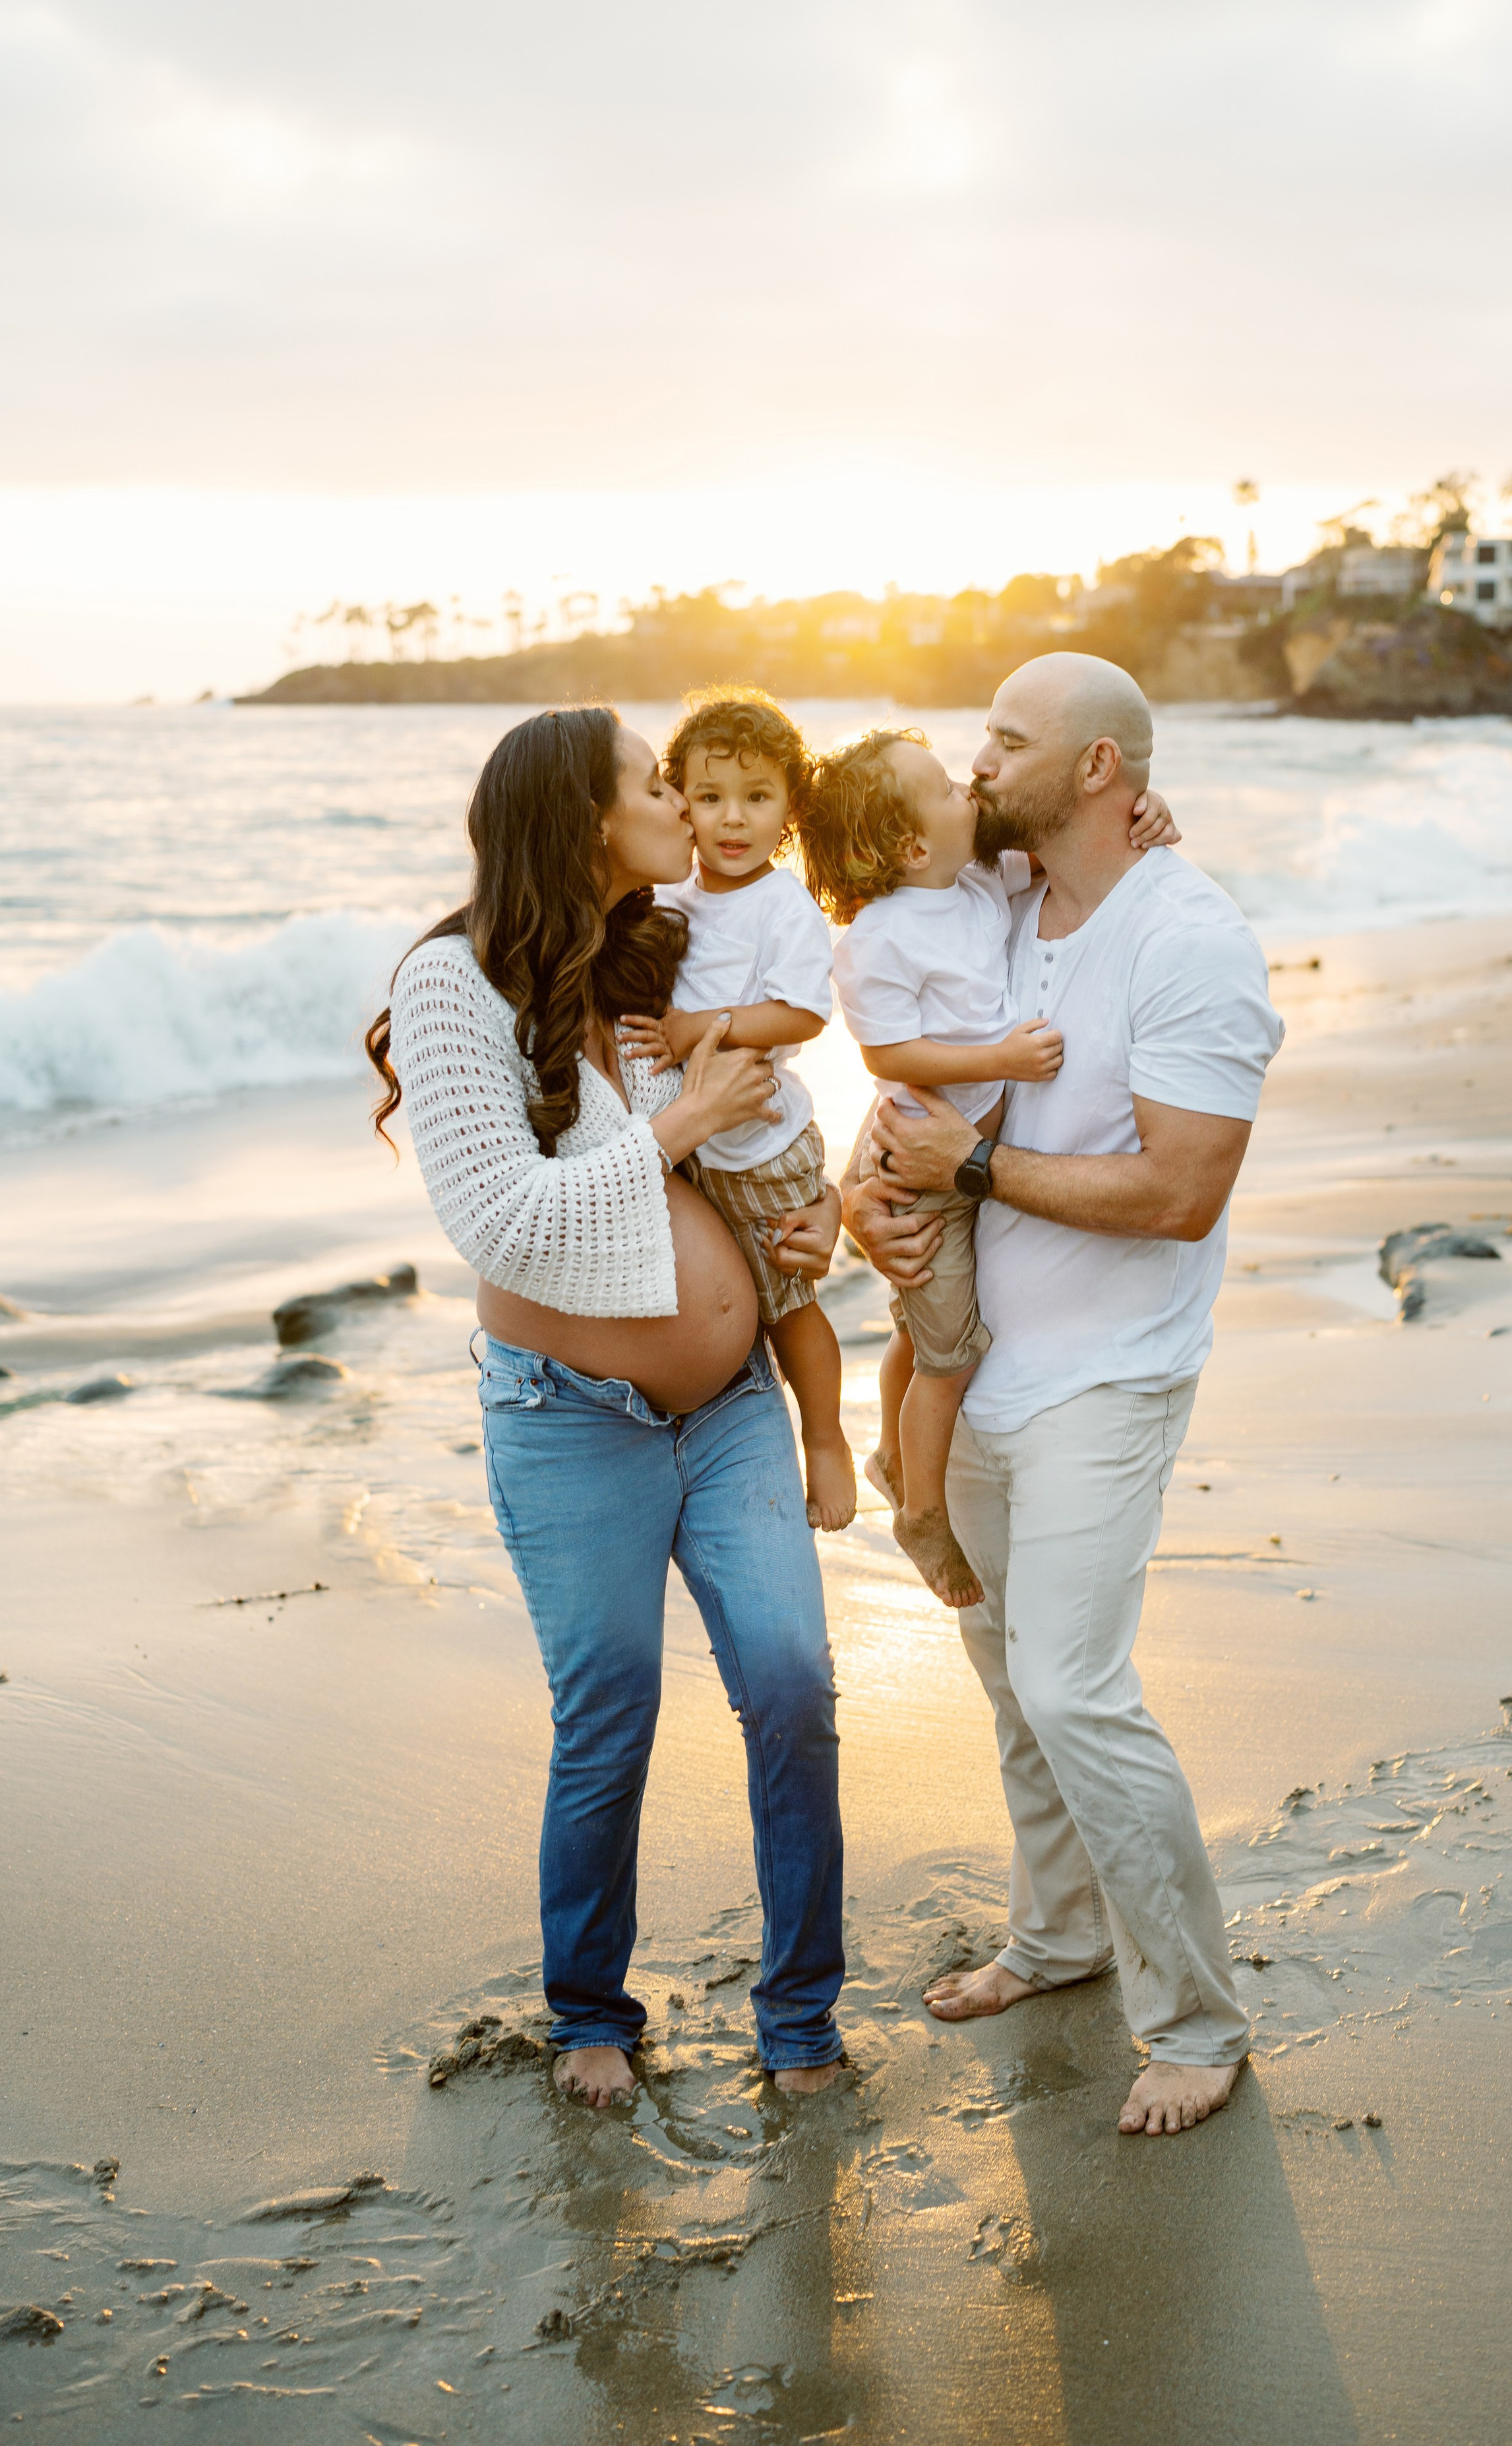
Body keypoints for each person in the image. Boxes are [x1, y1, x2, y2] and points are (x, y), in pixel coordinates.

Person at [367, 705, 848, 2107]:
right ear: (585, 819)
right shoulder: (453, 985)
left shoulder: (662, 948)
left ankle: (801, 2019)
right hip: (570, 1418)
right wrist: (676, 1126)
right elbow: (502, 1224)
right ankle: (587, 2011)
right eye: (653, 785)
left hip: (735, 1403)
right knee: (612, 1714)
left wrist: (808, 1212)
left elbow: (845, 937)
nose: (682, 807)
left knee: (796, 1684)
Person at [842, 654, 1285, 2138]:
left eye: (1007, 740)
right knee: (1005, 1682)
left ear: (1099, 768)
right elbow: (911, 1080)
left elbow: (1178, 1190)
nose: (975, 764)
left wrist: (967, 1171)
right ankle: (1058, 1939)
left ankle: (1196, 2021)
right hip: (979, 1382)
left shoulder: (1191, 940)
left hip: (1110, 1376)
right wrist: (870, 1191)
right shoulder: (1004, 902)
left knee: (1073, 1687)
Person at [802, 723, 1178, 1609]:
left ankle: (896, 1455)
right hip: (924, 1153)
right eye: (944, 787)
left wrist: (1149, 810)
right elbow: (889, 1057)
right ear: (910, 845)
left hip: (954, 1139)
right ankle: (922, 1515)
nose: (970, 785)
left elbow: (1063, 858)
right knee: (948, 1357)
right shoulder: (880, 937)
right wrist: (1001, 1062)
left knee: (918, 1326)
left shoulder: (979, 882)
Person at [619, 688, 857, 1532]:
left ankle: (824, 1438)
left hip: (760, 1141)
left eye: (758, 798)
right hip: (697, 1148)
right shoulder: (670, 897)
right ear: (677, 795)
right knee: (738, 1298)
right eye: (711, 796)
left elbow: (801, 1013)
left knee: (789, 1305)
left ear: (789, 810)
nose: (732, 819)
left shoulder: (780, 906)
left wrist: (697, 1029)